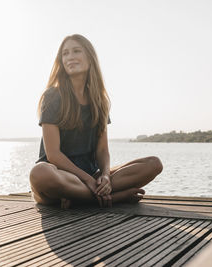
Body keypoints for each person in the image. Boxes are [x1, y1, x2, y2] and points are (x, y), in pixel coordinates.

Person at [29, 34, 163, 208]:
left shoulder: (99, 101)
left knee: (153, 164)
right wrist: (88, 180)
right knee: (39, 172)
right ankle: (111, 198)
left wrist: (105, 177)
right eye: (65, 53)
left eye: (76, 51)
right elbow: (53, 155)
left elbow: (102, 150)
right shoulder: (53, 96)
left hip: (90, 177)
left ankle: (82, 197)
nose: (70, 57)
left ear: (90, 58)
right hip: (59, 176)